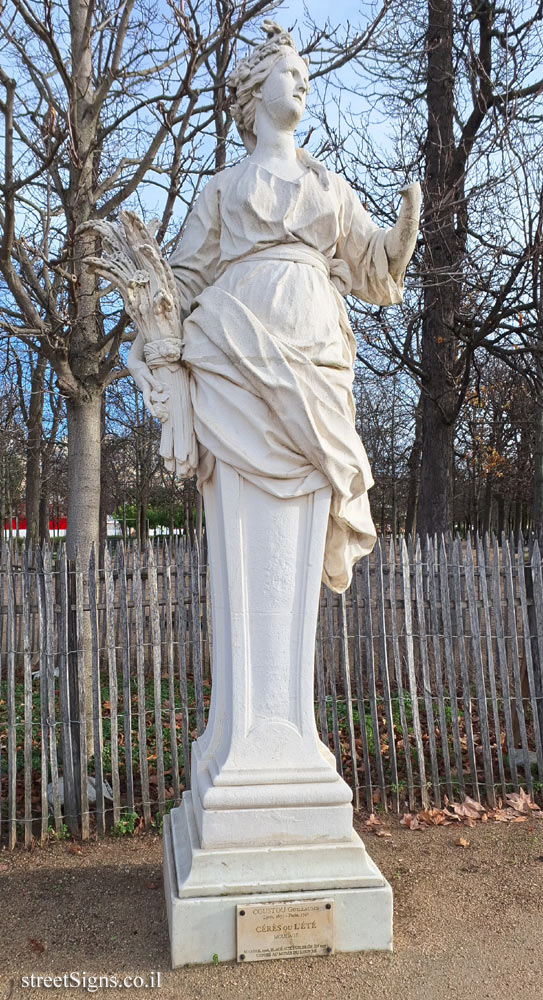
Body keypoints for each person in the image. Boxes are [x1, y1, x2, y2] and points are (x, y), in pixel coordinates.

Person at [126, 20, 420, 592]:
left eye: (307, 76)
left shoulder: (330, 187)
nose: (303, 85)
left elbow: (371, 260)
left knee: (297, 553)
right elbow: (182, 280)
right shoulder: (222, 188)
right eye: (292, 73)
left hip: (317, 368)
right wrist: (153, 329)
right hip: (231, 359)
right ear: (258, 90)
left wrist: (403, 232)